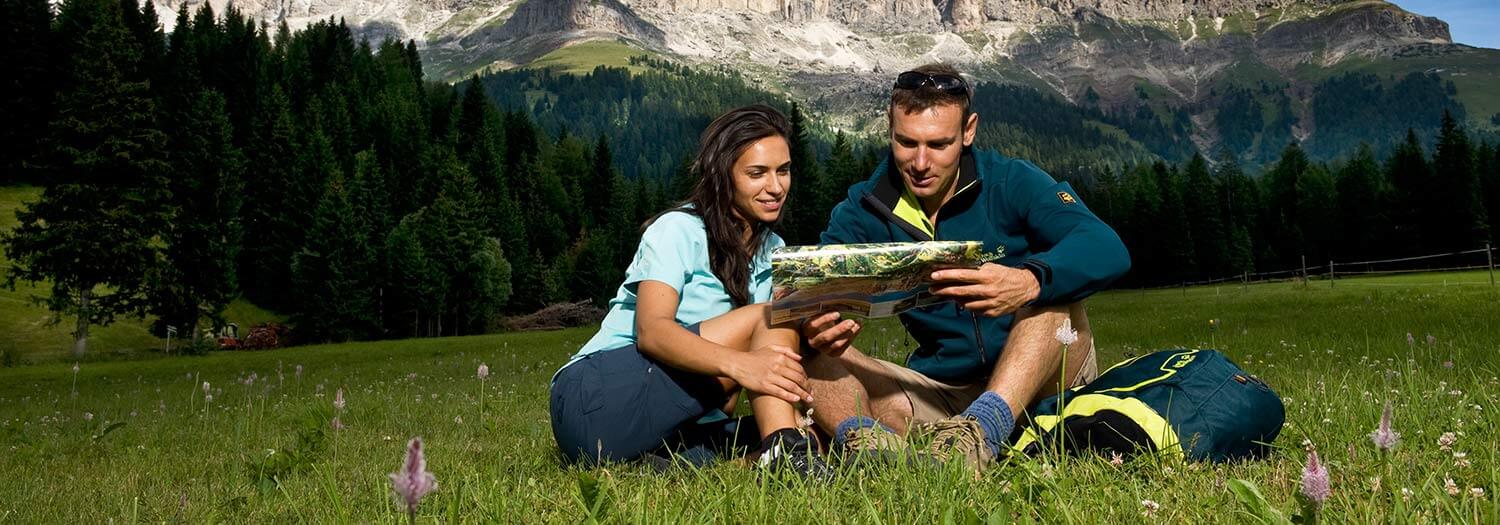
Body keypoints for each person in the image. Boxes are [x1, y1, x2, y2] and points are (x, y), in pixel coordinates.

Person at [798, 64, 1131, 470]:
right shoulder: (865, 207)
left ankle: (981, 434)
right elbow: (810, 289)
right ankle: (874, 454)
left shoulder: (1012, 181)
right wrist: (815, 325)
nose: (920, 162)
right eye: (906, 142)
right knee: (810, 356)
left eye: (939, 145)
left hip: (1045, 378)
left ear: (968, 131)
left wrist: (1028, 281)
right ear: (889, 129)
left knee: (1050, 304)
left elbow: (1106, 246)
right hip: (942, 394)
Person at [549, 104, 830, 478]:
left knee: (817, 436)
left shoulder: (774, 250)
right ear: (723, 176)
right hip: (593, 397)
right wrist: (743, 365)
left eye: (784, 171)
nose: (775, 187)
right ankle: (784, 458)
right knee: (769, 316)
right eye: (757, 173)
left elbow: (761, 361)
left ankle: (761, 451)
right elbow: (653, 332)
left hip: (670, 415)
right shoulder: (677, 230)